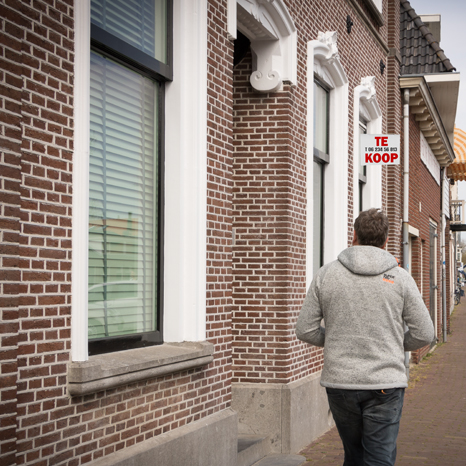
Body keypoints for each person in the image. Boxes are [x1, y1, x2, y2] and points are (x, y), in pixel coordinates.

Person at [296, 208, 434, 466]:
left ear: (354, 236)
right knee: (379, 458)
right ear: (385, 241)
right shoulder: (401, 279)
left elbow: (305, 329)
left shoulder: (327, 274)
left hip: (341, 385)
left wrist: (339, 339)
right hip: (385, 384)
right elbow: (425, 333)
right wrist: (394, 344)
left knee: (355, 455)